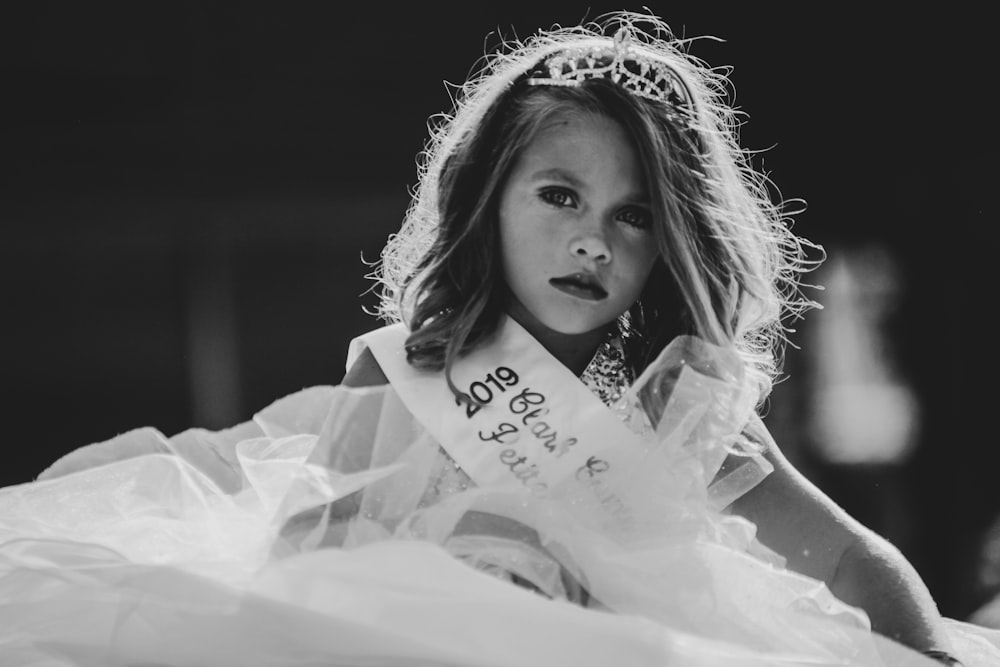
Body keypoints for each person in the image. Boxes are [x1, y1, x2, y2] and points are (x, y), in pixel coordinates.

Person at [1, 10, 998, 667]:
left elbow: (851, 564)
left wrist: (933, 653)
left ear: (670, 240)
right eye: (559, 195)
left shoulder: (681, 414)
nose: (589, 238)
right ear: (487, 202)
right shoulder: (398, 374)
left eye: (633, 215)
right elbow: (308, 579)